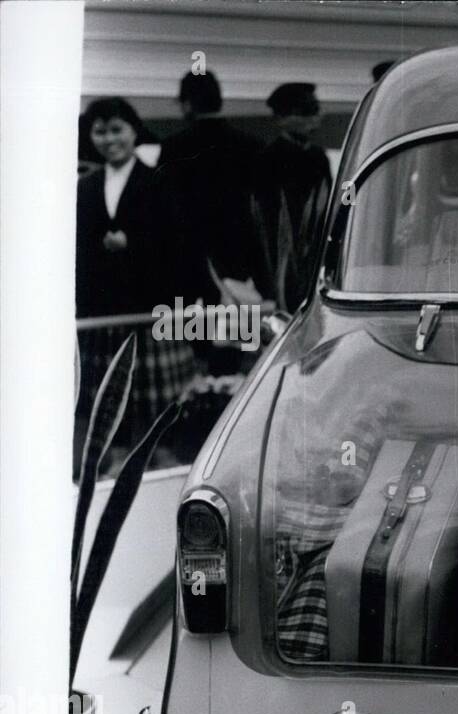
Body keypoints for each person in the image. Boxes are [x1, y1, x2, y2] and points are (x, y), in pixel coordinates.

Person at [75, 97, 193, 458]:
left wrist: (133, 243)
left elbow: (179, 243)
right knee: (109, 402)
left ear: (133, 131)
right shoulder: (86, 185)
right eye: (100, 131)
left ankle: (157, 462)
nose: (109, 139)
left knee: (153, 406)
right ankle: (114, 462)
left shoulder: (160, 180)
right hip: (103, 313)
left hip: (148, 309)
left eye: (117, 130)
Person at [156, 69, 268, 371]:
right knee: (241, 344)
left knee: (197, 346)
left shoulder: (174, 147)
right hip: (240, 260)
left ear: (186, 103)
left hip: (190, 261)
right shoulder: (251, 145)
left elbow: (166, 211)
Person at [252, 82, 333, 310]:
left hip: (314, 260)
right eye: (309, 110)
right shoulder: (268, 160)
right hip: (278, 266)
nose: (317, 116)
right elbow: (262, 222)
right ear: (287, 117)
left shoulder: (318, 158)